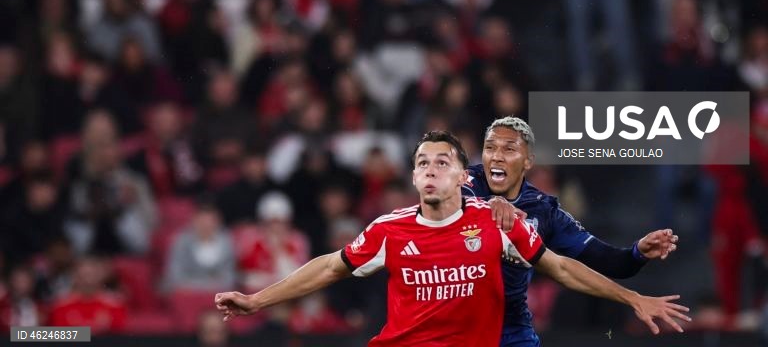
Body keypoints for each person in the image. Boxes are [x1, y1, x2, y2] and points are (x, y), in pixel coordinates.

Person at [215, 131, 690, 346]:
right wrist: (258, 301)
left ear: (464, 176)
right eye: (422, 162)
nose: (430, 169)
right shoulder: (389, 229)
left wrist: (631, 297)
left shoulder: (500, 225)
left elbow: (563, 268)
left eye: (442, 162)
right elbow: (328, 266)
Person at [463, 116, 681, 347]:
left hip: (512, 333)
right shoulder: (464, 182)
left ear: (528, 161)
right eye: (490, 148)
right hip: (458, 325)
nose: (497, 156)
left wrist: (637, 252)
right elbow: (444, 202)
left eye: (509, 149)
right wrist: (487, 206)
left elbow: (608, 262)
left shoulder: (544, 210)